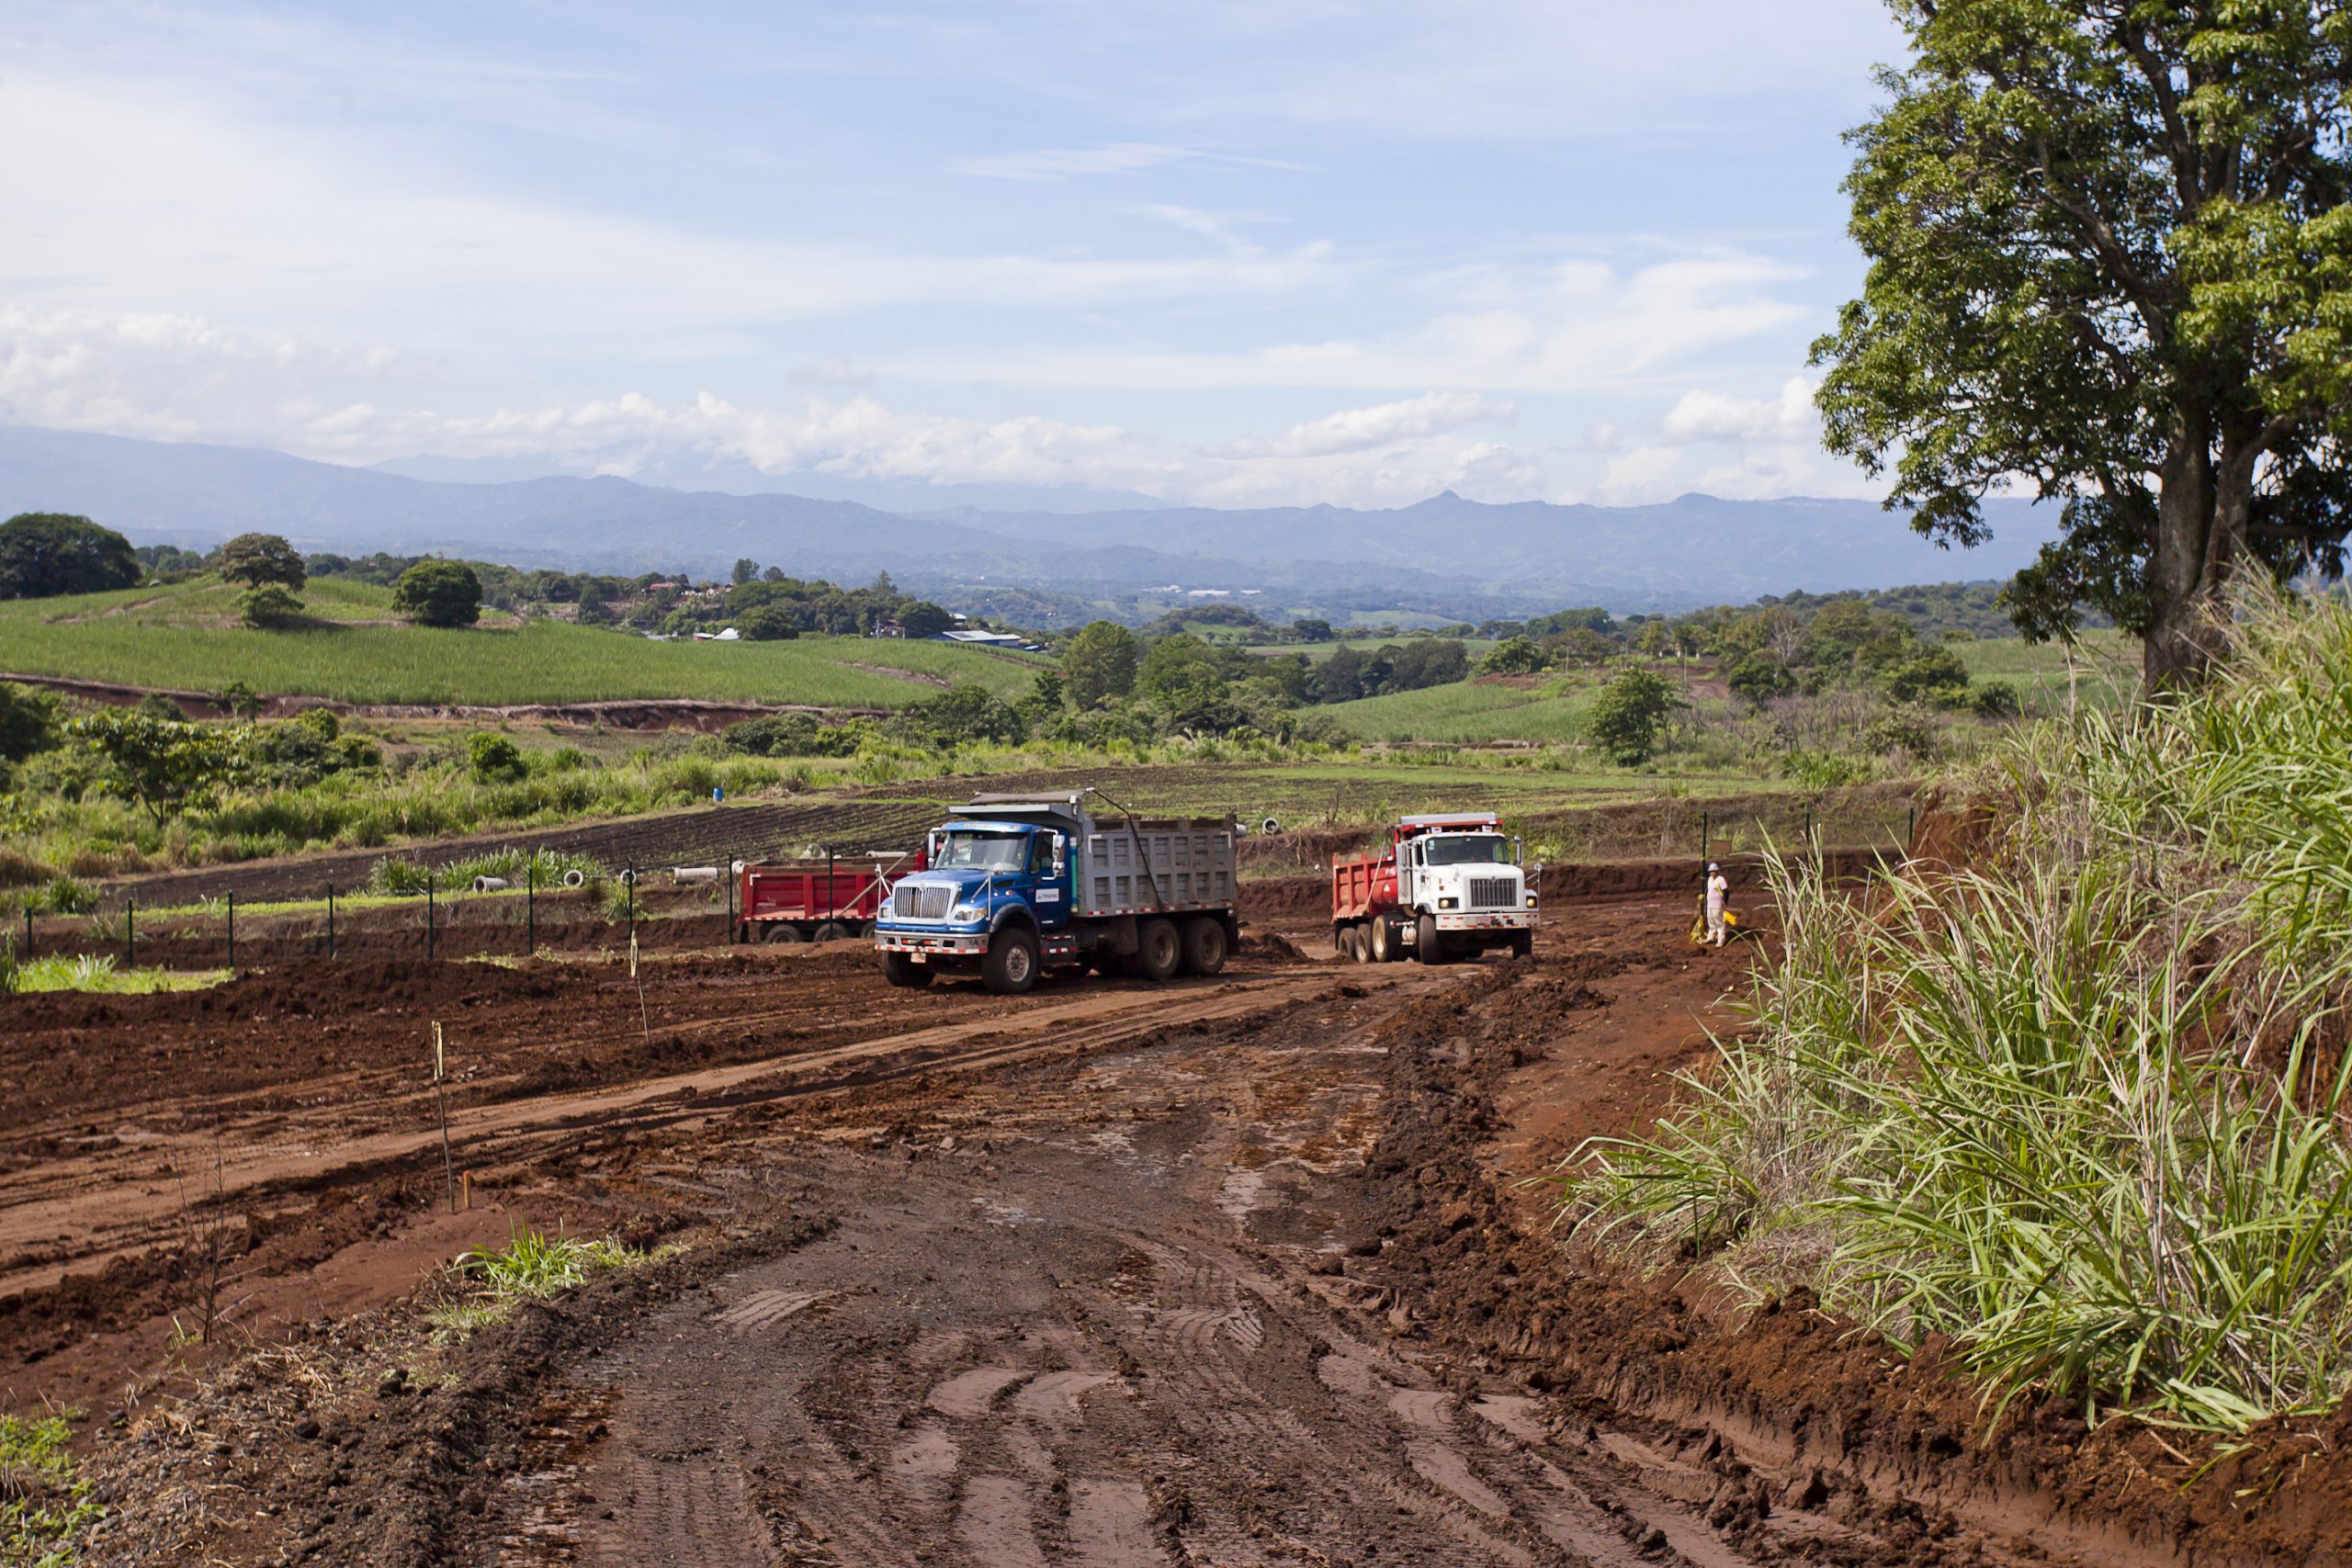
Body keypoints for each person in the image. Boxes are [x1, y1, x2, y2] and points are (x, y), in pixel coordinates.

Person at [1704, 862, 1729, 947]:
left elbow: (1726, 891)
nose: (1712, 873)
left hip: (1717, 904)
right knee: (1710, 920)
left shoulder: (1720, 879)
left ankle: (1720, 939)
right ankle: (1711, 936)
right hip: (1710, 904)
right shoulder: (1710, 879)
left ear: (1717, 871)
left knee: (1719, 921)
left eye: (1714, 871)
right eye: (1711, 871)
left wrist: (1725, 902)